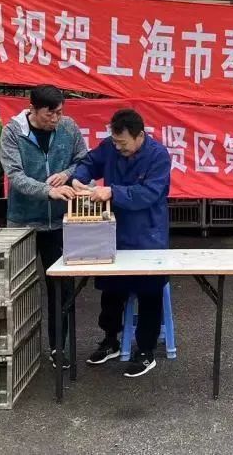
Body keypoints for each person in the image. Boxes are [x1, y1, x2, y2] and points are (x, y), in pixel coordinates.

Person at [71, 108, 171, 378]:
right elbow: (90, 161)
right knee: (111, 289)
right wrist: (79, 178)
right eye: (115, 142)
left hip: (148, 234)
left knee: (150, 292)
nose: (118, 147)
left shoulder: (158, 156)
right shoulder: (110, 146)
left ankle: (146, 350)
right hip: (113, 232)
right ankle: (110, 340)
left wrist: (112, 191)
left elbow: (149, 193)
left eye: (123, 143)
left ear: (140, 136)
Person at [0, 85, 87, 366]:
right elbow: (15, 176)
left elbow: (83, 160)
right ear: (33, 109)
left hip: (60, 223)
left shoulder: (69, 127)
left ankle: (59, 347)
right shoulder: (12, 133)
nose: (56, 119)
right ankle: (19, 351)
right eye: (51, 114)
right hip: (23, 223)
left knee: (61, 288)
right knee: (20, 289)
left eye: (60, 112)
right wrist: (47, 190)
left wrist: (66, 173)